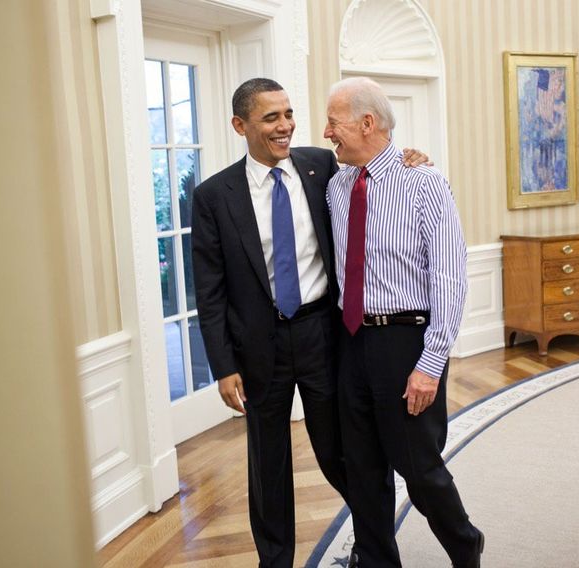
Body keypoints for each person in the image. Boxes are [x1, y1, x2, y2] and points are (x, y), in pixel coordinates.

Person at [191, 77, 428, 568]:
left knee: (347, 455)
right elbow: (209, 292)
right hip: (259, 347)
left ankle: (375, 551)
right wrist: (223, 365)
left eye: (289, 113)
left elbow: (373, 161)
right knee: (269, 466)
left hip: (324, 335)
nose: (287, 126)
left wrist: (410, 157)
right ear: (241, 126)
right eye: (271, 118)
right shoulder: (215, 196)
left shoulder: (322, 167)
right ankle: (274, 561)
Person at [324, 76, 484, 568]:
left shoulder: (424, 182)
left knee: (418, 467)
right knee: (362, 468)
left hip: (405, 342)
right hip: (350, 342)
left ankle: (465, 546)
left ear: (367, 123)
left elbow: (451, 278)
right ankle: (375, 560)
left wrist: (431, 363)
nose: (326, 133)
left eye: (334, 122)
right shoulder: (335, 186)